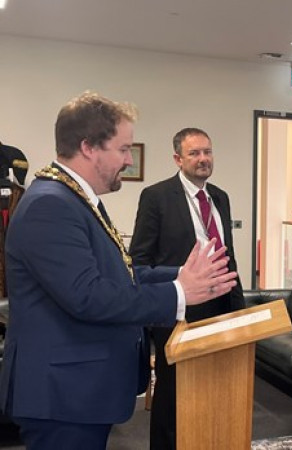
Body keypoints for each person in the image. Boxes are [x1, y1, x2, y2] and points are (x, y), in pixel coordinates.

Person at [0, 92, 237, 450]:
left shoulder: (74, 199)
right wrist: (179, 293)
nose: (129, 159)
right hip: (61, 396)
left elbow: (119, 273)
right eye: (124, 149)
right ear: (89, 147)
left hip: (76, 391)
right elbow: (89, 296)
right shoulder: (51, 204)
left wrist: (181, 275)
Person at [129, 127, 245, 450]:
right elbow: (139, 263)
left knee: (215, 390)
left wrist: (238, 311)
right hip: (178, 312)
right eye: (194, 153)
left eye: (207, 152)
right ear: (178, 158)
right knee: (173, 396)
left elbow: (229, 257)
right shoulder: (155, 197)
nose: (203, 159)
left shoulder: (220, 197)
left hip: (220, 309)